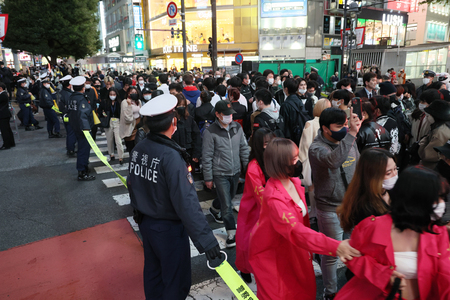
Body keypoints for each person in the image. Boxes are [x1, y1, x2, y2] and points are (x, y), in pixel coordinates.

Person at [128, 94, 221, 299]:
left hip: (146, 223)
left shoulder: (139, 149)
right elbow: (186, 203)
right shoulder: (170, 156)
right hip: (168, 229)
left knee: (154, 275)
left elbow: (132, 184)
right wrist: (207, 241)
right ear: (174, 122)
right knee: (175, 282)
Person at [249, 138, 361, 300]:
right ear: (280, 163)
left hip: (295, 251)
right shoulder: (274, 198)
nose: (298, 162)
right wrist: (335, 246)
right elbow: (296, 231)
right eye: (294, 159)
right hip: (274, 258)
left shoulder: (294, 182)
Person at [335, 166, 450, 300]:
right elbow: (352, 257)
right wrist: (382, 274)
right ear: (416, 200)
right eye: (437, 199)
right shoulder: (371, 227)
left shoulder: (437, 231)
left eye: (442, 198)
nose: (442, 204)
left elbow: (444, 276)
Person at [308, 107, 362, 299]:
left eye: (345, 125)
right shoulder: (316, 148)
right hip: (330, 209)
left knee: (355, 248)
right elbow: (333, 161)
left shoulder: (349, 140)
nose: (344, 129)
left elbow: (357, 164)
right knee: (331, 254)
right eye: (339, 126)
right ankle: (330, 292)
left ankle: (356, 284)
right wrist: (352, 134)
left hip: (351, 205)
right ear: (325, 128)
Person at [203, 100, 250, 247]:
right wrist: (208, 177)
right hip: (220, 173)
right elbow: (207, 156)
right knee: (228, 205)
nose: (230, 117)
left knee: (227, 197)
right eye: (226, 114)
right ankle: (231, 234)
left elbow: (243, 148)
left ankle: (214, 208)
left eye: (231, 114)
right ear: (217, 114)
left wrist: (248, 168)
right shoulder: (210, 132)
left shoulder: (237, 127)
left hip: (235, 171)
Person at [235, 128, 275, 283]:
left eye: (272, 141)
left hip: (267, 209)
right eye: (266, 143)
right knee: (247, 243)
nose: (270, 145)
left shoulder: (271, 159)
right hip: (252, 211)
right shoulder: (253, 166)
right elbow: (260, 195)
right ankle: (244, 269)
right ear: (259, 145)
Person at [337, 148, 396, 234]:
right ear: (372, 176)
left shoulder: (391, 191)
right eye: (388, 173)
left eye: (395, 169)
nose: (395, 174)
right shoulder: (364, 206)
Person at [298, 99, 331, 222]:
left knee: (312, 187)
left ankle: (314, 211)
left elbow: (305, 146)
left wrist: (301, 161)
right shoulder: (330, 123)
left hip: (313, 160)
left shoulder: (310, 123)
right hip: (327, 158)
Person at [67, 76, 95, 181]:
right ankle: (82, 172)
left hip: (75, 127)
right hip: (84, 130)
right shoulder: (81, 100)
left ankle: (83, 168)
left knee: (81, 149)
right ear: (83, 87)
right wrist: (87, 130)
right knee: (84, 150)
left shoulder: (72, 98)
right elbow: (83, 116)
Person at [172, 93, 202, 167]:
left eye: (183, 106)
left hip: (189, 154)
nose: (181, 108)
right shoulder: (170, 121)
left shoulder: (189, 120)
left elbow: (196, 137)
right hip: (174, 155)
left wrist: (196, 154)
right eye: (179, 105)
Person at [418, 100, 450, 169]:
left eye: (430, 114)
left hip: (433, 168)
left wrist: (423, 142)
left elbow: (427, 155)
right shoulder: (444, 125)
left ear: (436, 116)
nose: (427, 116)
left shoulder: (439, 132)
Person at [280, 78, 311, 145]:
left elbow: (284, 125)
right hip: (300, 134)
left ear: (286, 89)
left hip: (290, 138)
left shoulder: (285, 105)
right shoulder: (299, 101)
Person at [98, 87, 124, 164]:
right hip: (108, 121)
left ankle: (120, 156)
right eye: (111, 94)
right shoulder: (105, 102)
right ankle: (111, 154)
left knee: (118, 140)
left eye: (114, 94)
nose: (112, 96)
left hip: (118, 121)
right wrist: (103, 113)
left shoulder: (120, 102)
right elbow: (99, 110)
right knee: (109, 139)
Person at [120, 86, 142, 153]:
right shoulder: (125, 102)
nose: (134, 94)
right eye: (132, 92)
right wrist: (129, 105)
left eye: (135, 92)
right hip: (130, 127)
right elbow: (127, 118)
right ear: (128, 93)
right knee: (131, 148)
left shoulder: (138, 101)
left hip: (138, 125)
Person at [58, 75, 76, 156]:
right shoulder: (69, 94)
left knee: (69, 132)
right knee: (71, 133)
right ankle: (71, 150)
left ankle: (69, 147)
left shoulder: (62, 92)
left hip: (64, 115)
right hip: (69, 115)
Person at [0, 82, 14, 149]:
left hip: (3, 114)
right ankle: (11, 142)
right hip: (5, 114)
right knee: (7, 129)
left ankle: (7, 144)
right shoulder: (4, 94)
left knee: (4, 130)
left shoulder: (2, 95)